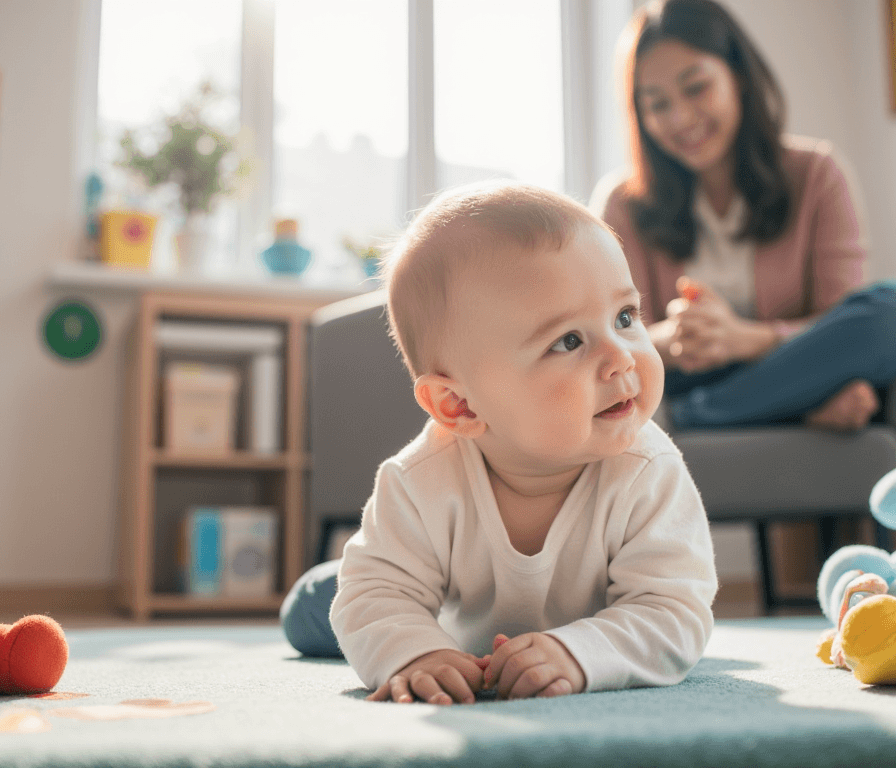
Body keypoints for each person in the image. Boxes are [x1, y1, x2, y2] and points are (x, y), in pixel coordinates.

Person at [280, 181, 717, 705]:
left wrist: (579, 653)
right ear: (458, 406)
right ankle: (331, 586)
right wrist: (418, 655)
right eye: (569, 341)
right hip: (454, 626)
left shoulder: (648, 469)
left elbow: (672, 613)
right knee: (320, 608)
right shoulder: (420, 480)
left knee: (667, 638)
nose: (622, 356)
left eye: (625, 317)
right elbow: (376, 597)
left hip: (593, 616)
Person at [592, 0, 896, 432]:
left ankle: (698, 419)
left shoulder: (817, 175)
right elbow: (612, 340)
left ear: (737, 75)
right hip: (681, 381)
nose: (680, 118)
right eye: (657, 104)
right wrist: (679, 335)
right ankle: (774, 409)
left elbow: (835, 328)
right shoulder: (622, 205)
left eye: (696, 87)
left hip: (787, 369)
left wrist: (745, 339)